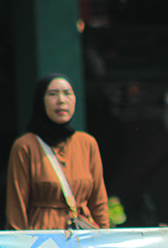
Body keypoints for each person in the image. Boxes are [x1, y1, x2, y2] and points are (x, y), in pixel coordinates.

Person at [6, 73, 110, 230]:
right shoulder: (25, 146)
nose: (61, 100)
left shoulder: (87, 143)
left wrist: (105, 239)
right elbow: (16, 205)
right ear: (41, 100)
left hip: (82, 239)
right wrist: (19, 245)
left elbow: (99, 201)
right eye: (53, 94)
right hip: (43, 241)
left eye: (67, 93)